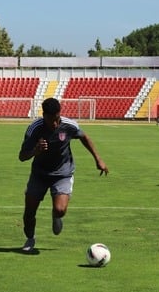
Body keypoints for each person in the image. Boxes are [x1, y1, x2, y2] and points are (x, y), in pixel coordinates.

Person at [18, 97, 109, 252]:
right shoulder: (34, 128)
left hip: (62, 173)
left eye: (56, 119)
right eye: (50, 120)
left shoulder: (68, 125)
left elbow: (84, 137)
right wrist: (35, 151)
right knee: (29, 212)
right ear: (43, 115)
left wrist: (98, 159)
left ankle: (56, 215)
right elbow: (22, 156)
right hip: (39, 174)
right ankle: (30, 239)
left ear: (59, 114)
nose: (54, 123)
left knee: (60, 210)